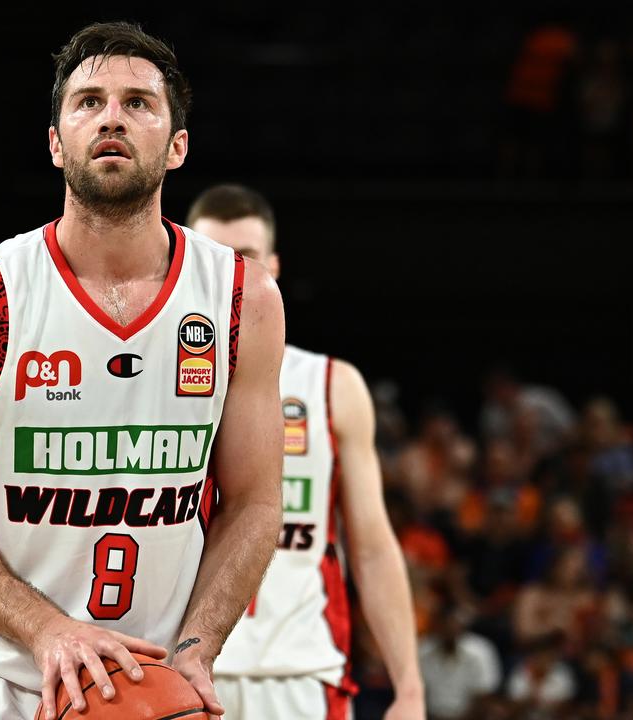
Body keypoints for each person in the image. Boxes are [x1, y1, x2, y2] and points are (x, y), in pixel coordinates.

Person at [0, 23, 285, 720]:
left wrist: (198, 645)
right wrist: (47, 630)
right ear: (54, 141)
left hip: (161, 683)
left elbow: (254, 501)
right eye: (89, 101)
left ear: (178, 144)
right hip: (6, 681)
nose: (111, 117)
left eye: (138, 103)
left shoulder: (243, 299)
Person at [188, 184, 423, 719]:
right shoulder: (151, 378)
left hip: (302, 674)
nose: (231, 273)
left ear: (273, 265)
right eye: (213, 257)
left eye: (245, 257)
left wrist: (409, 686)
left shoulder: (332, 384)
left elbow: (371, 546)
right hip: (181, 671)